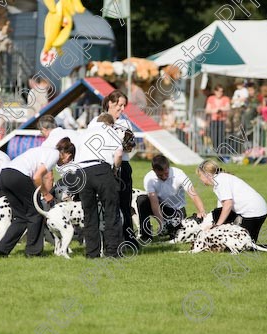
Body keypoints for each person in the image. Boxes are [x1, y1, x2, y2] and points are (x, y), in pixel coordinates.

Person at [0, 138, 76, 257]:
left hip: (5, 175)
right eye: (70, 159)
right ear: (67, 155)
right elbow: (37, 178)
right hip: (18, 176)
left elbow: (42, 177)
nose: (67, 162)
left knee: (21, 217)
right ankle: (33, 252)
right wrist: (46, 194)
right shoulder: (54, 155)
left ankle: (1, 250)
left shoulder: (45, 151)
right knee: (35, 214)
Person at [89, 90, 138, 247]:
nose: (122, 109)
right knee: (108, 204)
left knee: (125, 202)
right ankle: (109, 240)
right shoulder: (96, 121)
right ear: (110, 103)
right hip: (104, 166)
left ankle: (129, 239)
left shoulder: (125, 123)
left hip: (123, 164)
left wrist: (126, 143)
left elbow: (130, 147)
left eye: (124, 105)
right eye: (120, 105)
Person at [72, 113, 124, 258]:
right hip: (101, 170)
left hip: (81, 172)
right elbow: (119, 155)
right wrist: (115, 169)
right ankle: (112, 252)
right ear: (110, 124)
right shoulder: (110, 131)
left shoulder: (83, 133)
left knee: (89, 214)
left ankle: (92, 253)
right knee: (110, 211)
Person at [137, 155, 206, 242]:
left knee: (176, 235)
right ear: (153, 170)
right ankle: (146, 236)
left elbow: (192, 193)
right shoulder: (149, 178)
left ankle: (171, 231)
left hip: (177, 211)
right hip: (161, 207)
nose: (164, 177)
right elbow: (154, 203)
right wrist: (161, 223)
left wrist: (202, 211)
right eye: (160, 175)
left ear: (168, 167)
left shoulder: (179, 174)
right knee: (141, 200)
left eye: (166, 173)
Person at [196, 160, 267, 242]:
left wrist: (217, 226)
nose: (200, 179)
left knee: (245, 245)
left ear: (207, 175)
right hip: (256, 210)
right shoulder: (219, 179)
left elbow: (228, 205)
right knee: (244, 244)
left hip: (254, 212)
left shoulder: (220, 181)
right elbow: (221, 209)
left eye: (200, 176)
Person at [205, 84, 230, 152]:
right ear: (215, 91)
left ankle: (221, 153)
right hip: (213, 121)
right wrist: (215, 110)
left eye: (221, 91)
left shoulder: (226, 98)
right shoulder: (210, 98)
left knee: (221, 137)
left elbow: (228, 107)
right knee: (214, 137)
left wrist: (220, 109)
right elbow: (207, 110)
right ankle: (217, 151)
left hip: (222, 121)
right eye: (218, 91)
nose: (220, 93)